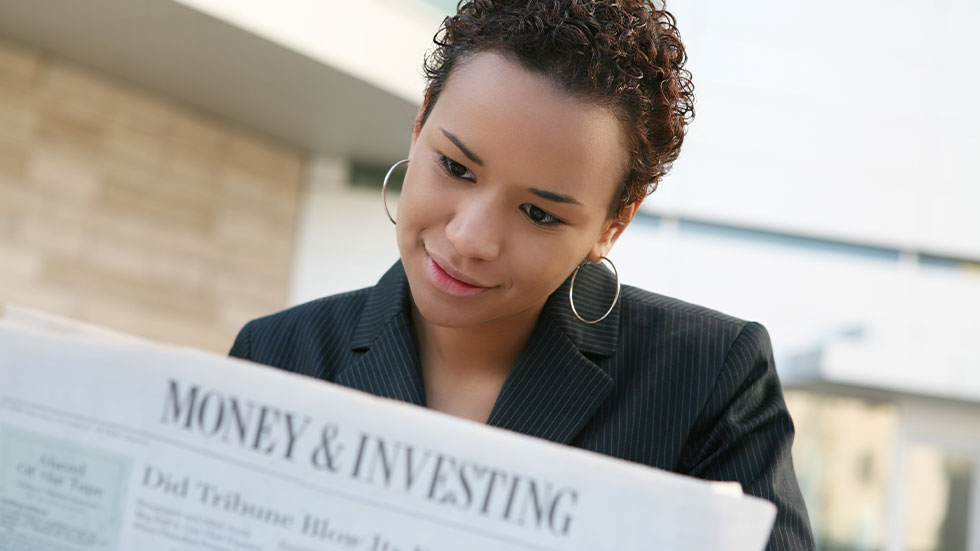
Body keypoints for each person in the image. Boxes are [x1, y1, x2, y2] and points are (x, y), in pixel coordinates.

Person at [230, 1, 815, 548]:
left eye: (539, 212)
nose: (470, 239)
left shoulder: (707, 379)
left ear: (613, 222)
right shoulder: (278, 358)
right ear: (419, 126)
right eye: (456, 167)